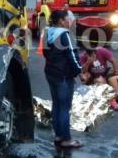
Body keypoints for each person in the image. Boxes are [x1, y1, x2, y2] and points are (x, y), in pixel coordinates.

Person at [42, 10, 83, 148]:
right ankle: (65, 139)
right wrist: (79, 71)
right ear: (61, 20)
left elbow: (45, 53)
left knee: (56, 104)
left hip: (50, 73)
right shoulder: (66, 35)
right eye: (67, 19)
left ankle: (58, 135)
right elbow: (72, 55)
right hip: (63, 76)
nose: (69, 21)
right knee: (65, 107)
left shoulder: (48, 32)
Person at [80, 46, 118, 110]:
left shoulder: (102, 51)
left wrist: (117, 72)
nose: (93, 57)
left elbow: (113, 60)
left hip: (105, 72)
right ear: (87, 54)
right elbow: (83, 71)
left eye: (94, 55)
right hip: (93, 76)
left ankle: (114, 97)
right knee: (86, 77)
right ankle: (107, 97)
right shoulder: (83, 56)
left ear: (95, 52)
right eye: (90, 55)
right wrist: (88, 62)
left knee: (112, 75)